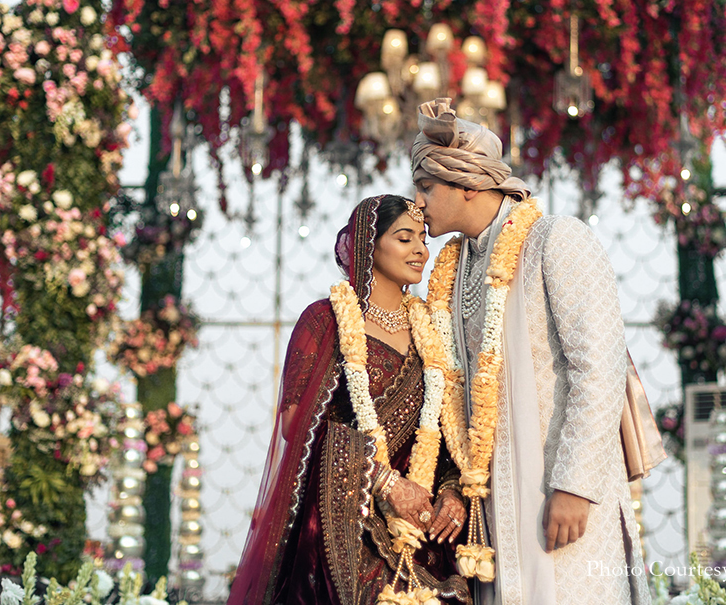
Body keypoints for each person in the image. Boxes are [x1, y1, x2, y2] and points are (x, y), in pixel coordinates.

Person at [410, 98, 665, 605]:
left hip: (563, 501)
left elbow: (600, 366)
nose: (416, 203)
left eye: (426, 187)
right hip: (493, 511)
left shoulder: (556, 239)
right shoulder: (453, 268)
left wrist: (575, 485)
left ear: (468, 185)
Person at [228, 194, 472, 605]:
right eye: (404, 238)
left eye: (423, 239)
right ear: (368, 246)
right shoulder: (324, 320)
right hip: (340, 519)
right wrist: (385, 482)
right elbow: (294, 424)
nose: (419, 249)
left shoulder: (433, 328)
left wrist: (451, 493)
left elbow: (447, 429)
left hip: (419, 527)